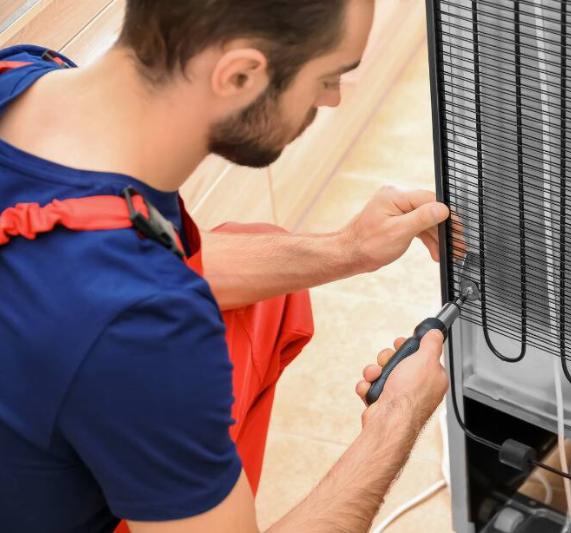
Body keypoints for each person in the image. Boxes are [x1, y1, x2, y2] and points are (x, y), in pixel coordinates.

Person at [0, 1, 452, 532]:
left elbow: (115, 256)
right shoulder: (142, 331)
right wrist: (396, 422)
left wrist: (349, 248)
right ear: (239, 75)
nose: (331, 100)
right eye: (328, 77)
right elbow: (128, 302)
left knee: (265, 280)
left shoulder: (22, 75)